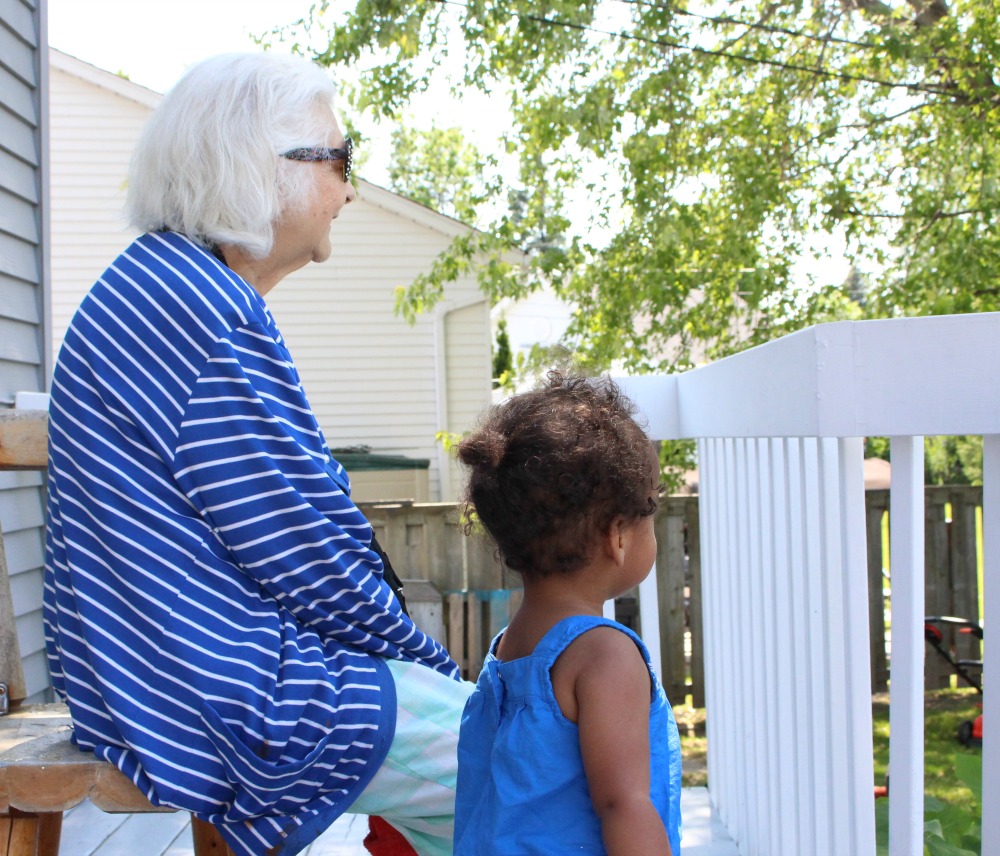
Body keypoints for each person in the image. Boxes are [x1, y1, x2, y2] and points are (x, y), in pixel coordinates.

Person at [42, 52, 473, 856]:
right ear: (254, 167)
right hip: (205, 690)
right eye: (340, 159)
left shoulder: (165, 285)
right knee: (531, 763)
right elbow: (307, 552)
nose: (350, 188)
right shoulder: (202, 311)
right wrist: (434, 669)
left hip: (145, 672)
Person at [453, 373, 683, 855]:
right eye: (652, 510)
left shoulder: (509, 651)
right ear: (617, 535)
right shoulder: (605, 656)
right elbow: (625, 805)